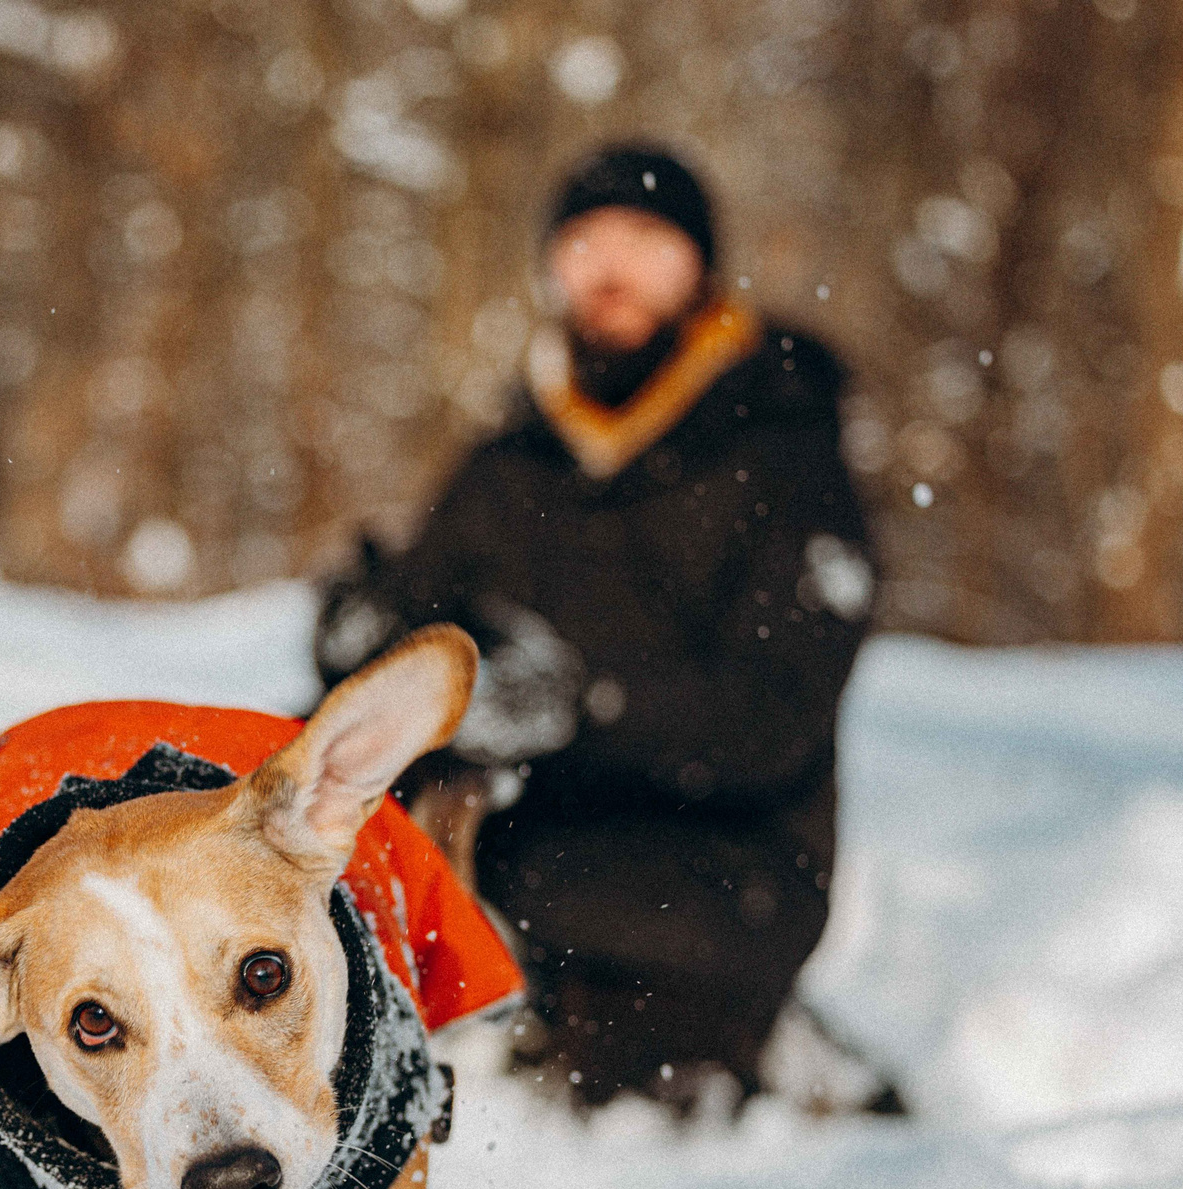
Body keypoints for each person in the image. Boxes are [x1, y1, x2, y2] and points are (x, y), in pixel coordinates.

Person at [316, 144, 888, 1114]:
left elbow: (774, 714)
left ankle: (757, 1058)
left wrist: (579, 705)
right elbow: (415, 617)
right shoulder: (514, 458)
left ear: (699, 269)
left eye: (644, 244)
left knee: (533, 908)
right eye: (585, 246)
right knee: (308, 797)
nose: (610, 272)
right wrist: (359, 631)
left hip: (729, 859)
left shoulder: (782, 453)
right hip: (529, 821)